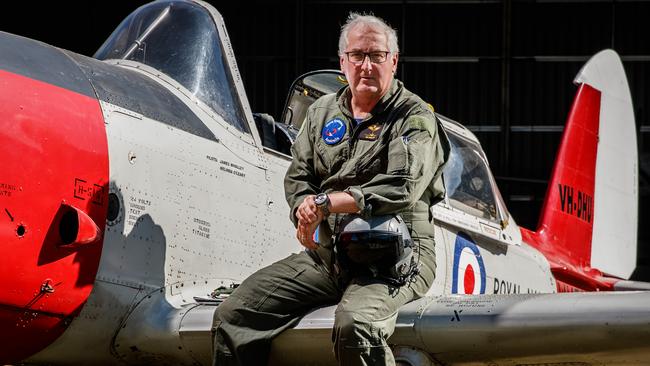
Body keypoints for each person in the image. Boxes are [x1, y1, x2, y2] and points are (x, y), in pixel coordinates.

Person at [213, 12, 448, 366]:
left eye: (377, 55)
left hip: (398, 256)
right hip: (333, 255)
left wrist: (326, 203)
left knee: (356, 325)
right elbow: (299, 175)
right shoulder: (323, 112)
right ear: (343, 61)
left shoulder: (414, 117)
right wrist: (303, 207)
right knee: (235, 315)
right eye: (358, 55)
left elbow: (402, 187)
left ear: (394, 62)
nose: (367, 65)